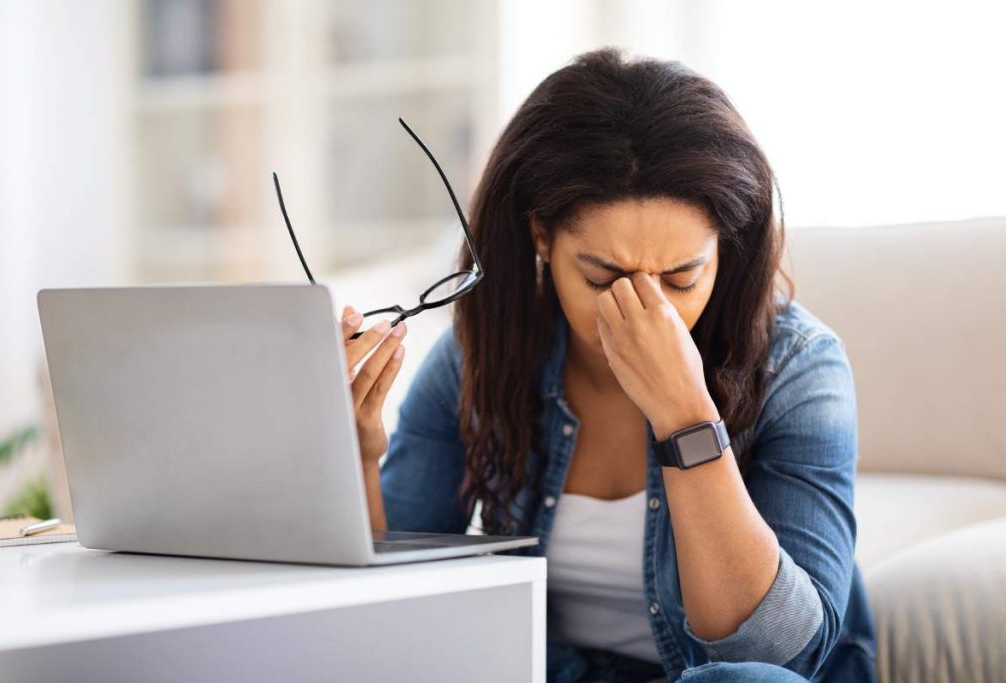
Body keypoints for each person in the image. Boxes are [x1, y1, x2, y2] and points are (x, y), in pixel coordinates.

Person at [338, 47, 876, 683]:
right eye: (603, 277)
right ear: (542, 237)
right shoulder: (481, 356)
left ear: (725, 250)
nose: (647, 313)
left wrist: (685, 415)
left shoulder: (799, 367)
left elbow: (782, 654)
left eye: (681, 277)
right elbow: (396, 615)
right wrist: (355, 457)